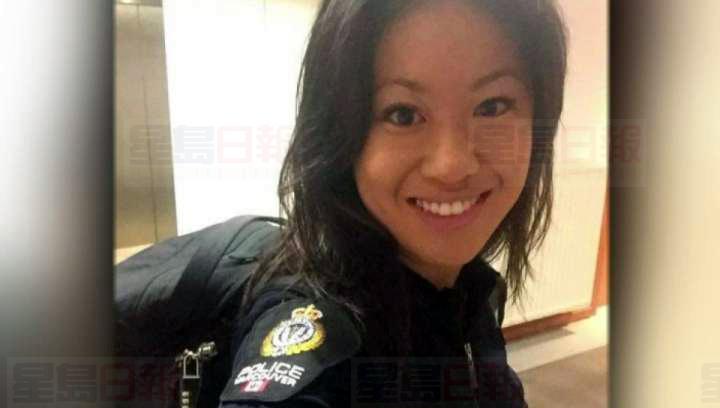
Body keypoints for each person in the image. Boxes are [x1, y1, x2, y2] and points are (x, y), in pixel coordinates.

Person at [215, 0, 567, 406]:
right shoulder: (323, 346)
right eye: (403, 114)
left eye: (492, 106)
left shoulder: (467, 289)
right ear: (338, 136)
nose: (453, 165)